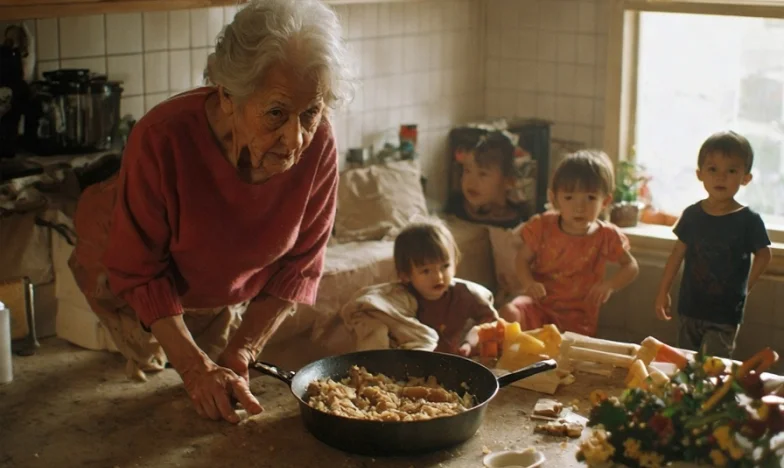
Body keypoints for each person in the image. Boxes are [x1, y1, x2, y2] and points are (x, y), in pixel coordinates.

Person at [68, 0, 354, 424]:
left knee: (201, 402)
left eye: (310, 113)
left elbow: (301, 264)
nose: (296, 138)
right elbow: (140, 271)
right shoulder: (161, 137)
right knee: (123, 394)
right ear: (227, 96)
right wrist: (194, 367)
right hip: (122, 277)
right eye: (276, 113)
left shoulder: (319, 142)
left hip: (214, 291)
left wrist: (241, 352)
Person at [654, 131, 772, 358]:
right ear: (700, 174)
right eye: (713, 169)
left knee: (711, 370)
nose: (721, 177)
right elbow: (676, 254)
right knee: (685, 367)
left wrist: (745, 289)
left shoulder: (749, 220)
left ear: (745, 178)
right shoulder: (692, 215)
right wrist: (663, 291)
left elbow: (764, 255)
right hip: (689, 308)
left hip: (724, 314)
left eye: (731, 171)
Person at [499, 150, 640, 336]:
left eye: (590, 198)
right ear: (554, 198)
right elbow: (522, 259)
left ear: (605, 201)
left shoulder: (606, 235)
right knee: (508, 312)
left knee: (563, 355)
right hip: (539, 305)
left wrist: (610, 285)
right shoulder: (543, 226)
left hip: (578, 317)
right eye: (569, 198)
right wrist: (528, 283)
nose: (579, 207)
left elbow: (631, 266)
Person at [340, 219, 499, 356]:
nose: (438, 276)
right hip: (418, 365)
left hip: (458, 360)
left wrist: (469, 343)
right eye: (426, 271)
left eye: (445, 266)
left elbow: (489, 323)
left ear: (455, 263)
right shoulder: (400, 300)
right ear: (405, 275)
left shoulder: (466, 294)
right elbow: (372, 311)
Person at [455, 131, 532, 229]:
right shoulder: (456, 207)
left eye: (482, 174)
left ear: (508, 181)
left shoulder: (518, 223)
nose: (471, 182)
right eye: (467, 171)